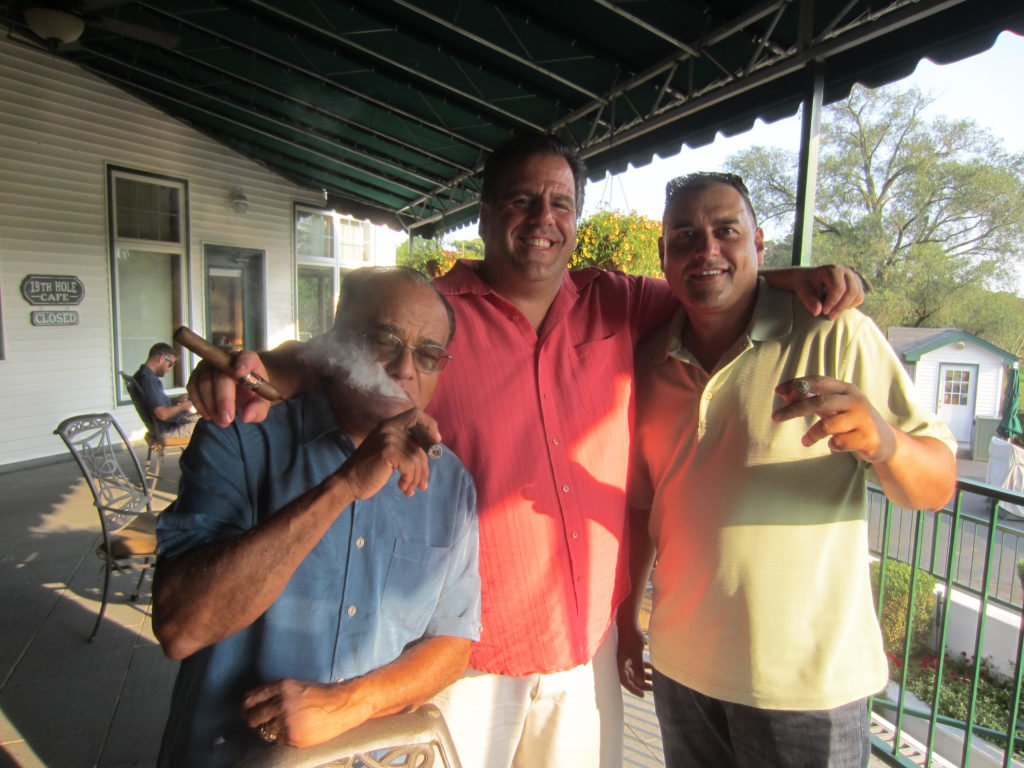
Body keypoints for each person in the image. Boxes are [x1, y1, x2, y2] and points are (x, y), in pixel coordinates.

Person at [185, 134, 865, 768]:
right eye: (521, 199)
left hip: (586, 647)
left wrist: (792, 273)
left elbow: (712, 279)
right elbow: (342, 350)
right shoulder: (433, 317)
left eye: (560, 203)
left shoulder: (620, 302)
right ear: (483, 214)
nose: (543, 216)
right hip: (464, 653)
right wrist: (264, 370)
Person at [616, 172, 957, 767]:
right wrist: (626, 615)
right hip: (681, 670)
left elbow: (937, 486)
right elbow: (646, 507)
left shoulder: (836, 333)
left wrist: (883, 440)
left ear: (760, 243)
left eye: (727, 231)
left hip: (805, 687)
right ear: (663, 257)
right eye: (685, 237)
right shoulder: (649, 359)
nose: (707, 250)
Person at [152, 267, 481, 768]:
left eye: (429, 354)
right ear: (334, 343)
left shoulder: (451, 482)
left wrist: (349, 704)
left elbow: (453, 643)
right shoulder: (241, 437)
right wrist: (343, 486)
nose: (404, 367)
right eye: (384, 339)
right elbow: (180, 628)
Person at [133, 343, 201, 438]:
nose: (169, 369)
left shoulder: (141, 376)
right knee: (210, 423)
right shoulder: (148, 381)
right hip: (170, 429)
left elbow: (154, 403)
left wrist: (177, 399)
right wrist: (184, 406)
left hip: (164, 426)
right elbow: (162, 414)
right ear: (161, 358)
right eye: (170, 364)